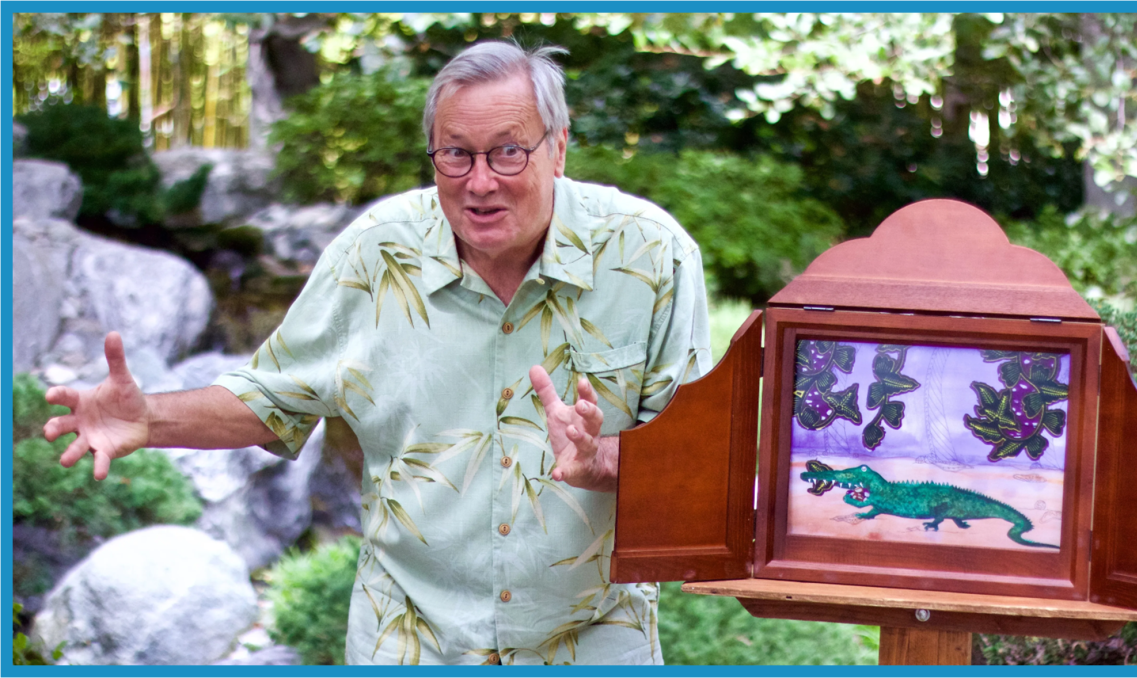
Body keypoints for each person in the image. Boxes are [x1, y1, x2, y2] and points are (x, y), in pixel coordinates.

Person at [43, 41, 711, 665]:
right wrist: (149, 419)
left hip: (592, 637)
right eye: (456, 154)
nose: (479, 182)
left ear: (558, 149)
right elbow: (274, 396)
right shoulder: (375, 254)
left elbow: (708, 464)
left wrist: (605, 462)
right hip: (409, 636)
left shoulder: (651, 258)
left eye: (508, 153)